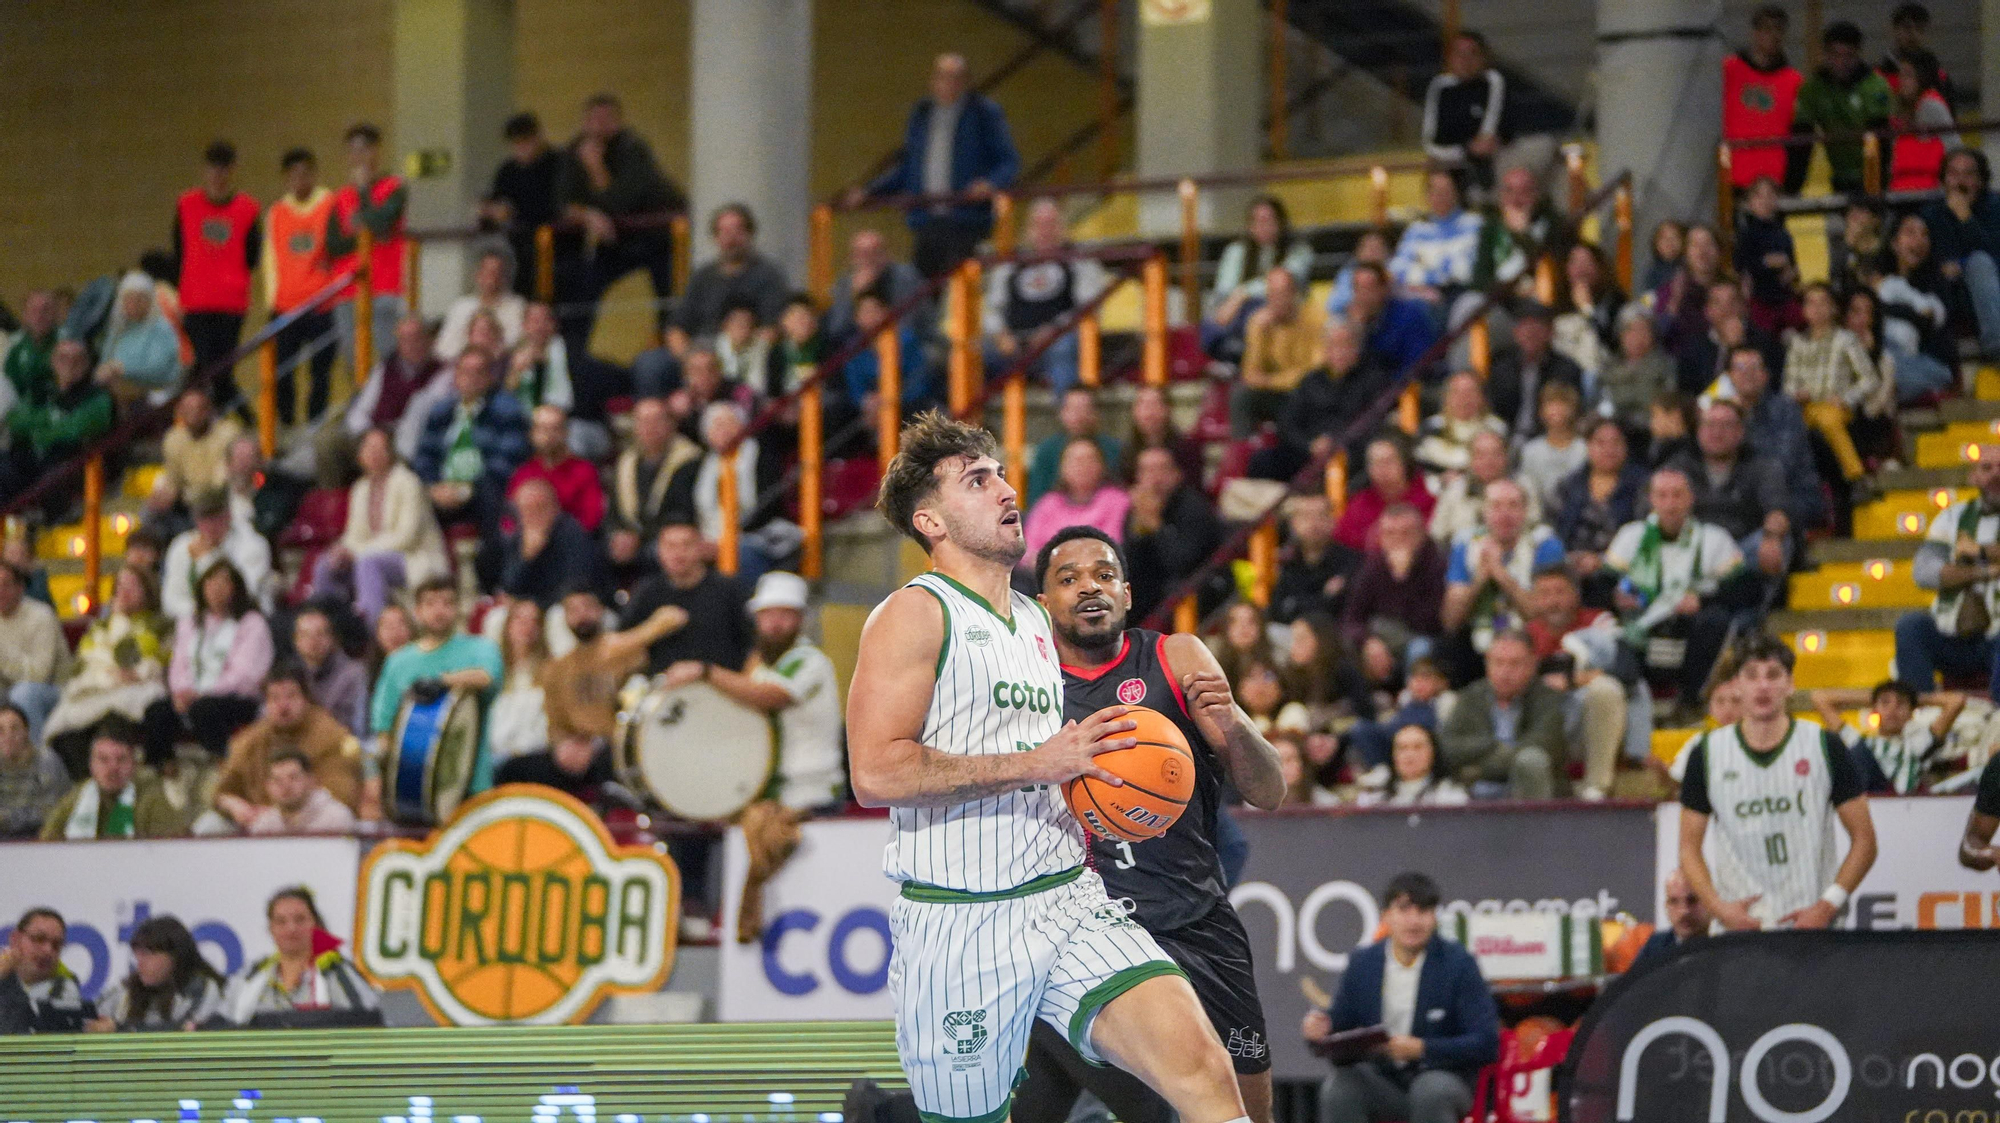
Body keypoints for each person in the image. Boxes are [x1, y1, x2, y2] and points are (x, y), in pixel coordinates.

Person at [848, 411, 1254, 1123]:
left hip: (1068, 899)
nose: (1007, 489)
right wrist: (1038, 762)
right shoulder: (914, 615)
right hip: (961, 923)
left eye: (1001, 473)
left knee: (1205, 1073)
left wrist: (1127, 773)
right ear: (932, 521)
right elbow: (875, 772)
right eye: (978, 480)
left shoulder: (1037, 620)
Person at [1016, 528, 1283, 1123]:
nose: (1090, 587)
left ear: (1128, 593)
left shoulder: (1176, 656)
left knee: (1248, 1109)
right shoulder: (1026, 688)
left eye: (1104, 575)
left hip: (1195, 918)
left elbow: (1269, 792)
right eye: (1068, 578)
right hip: (1087, 930)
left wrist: (1233, 725)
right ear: (1043, 605)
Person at [1678, 635, 1877, 930]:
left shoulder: (1824, 745)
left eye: (1773, 675)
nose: (1762, 686)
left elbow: (1865, 841)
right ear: (1736, 685)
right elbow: (1688, 848)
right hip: (1739, 929)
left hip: (1812, 926)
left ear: (1790, 684)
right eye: (1751, 676)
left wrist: (1827, 905)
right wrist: (1719, 908)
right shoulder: (1706, 753)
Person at [1303, 871, 1499, 1123]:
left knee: (1430, 1091)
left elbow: (1485, 1042)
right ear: (1385, 916)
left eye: (1423, 911)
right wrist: (1321, 1028)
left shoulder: (1459, 964)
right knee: (1341, 1087)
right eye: (1404, 910)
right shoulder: (1363, 963)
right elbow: (1341, 1024)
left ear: (1435, 918)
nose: (1414, 921)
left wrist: (1422, 1049)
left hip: (1444, 1079)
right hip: (1384, 1081)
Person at [654, 571, 846, 812]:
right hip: (771, 795)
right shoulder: (762, 664)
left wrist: (705, 672)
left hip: (812, 796)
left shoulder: (808, 660)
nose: (775, 624)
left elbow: (768, 696)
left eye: (785, 614)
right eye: (767, 614)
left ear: (801, 619)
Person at [853, 53, 1022, 278]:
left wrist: (990, 184)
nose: (948, 84)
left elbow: (1009, 162)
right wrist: (869, 191)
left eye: (955, 77)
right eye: (942, 77)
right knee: (922, 287)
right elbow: (909, 168)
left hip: (966, 219)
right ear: (932, 81)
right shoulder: (922, 114)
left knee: (958, 287)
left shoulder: (983, 113)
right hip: (926, 219)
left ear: (966, 82)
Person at [1604, 466, 1744, 711]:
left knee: (1716, 620)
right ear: (1651, 500)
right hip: (1639, 624)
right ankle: (1629, 706)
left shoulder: (1714, 538)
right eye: (1662, 495)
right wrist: (1615, 598)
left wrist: (1702, 601)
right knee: (1609, 628)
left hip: (1689, 626)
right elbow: (1601, 585)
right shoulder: (1631, 535)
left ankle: (1690, 701)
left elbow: (1744, 589)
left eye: (1677, 495)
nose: (1670, 504)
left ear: (1691, 498)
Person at [366, 576, 505, 809]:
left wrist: (443, 681)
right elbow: (383, 726)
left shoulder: (481, 648)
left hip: (473, 785)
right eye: (430, 603)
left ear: (458, 609)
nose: (439, 611)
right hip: (412, 791)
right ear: (418, 611)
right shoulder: (398, 662)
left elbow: (487, 676)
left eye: (447, 603)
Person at [313, 427, 448, 624]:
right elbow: (354, 535)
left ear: (391, 452)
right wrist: (343, 550)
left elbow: (406, 536)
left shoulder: (408, 482)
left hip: (414, 558)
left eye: (379, 449)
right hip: (371, 556)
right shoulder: (360, 488)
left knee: (369, 563)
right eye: (368, 448)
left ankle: (372, 631)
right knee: (326, 564)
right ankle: (328, 626)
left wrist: (358, 552)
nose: (373, 454)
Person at [42, 568, 169, 772]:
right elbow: (88, 660)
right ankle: (87, 789)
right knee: (66, 736)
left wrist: (121, 625)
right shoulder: (100, 627)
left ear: (148, 591)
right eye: (119, 586)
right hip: (95, 688)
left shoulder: (160, 626)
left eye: (132, 586)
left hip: (134, 691)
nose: (124, 592)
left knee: (111, 726)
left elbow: (144, 662)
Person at [1896, 451, 2000, 695]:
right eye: (1987, 468)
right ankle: (1919, 718)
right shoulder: (1952, 517)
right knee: (1911, 625)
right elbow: (1923, 573)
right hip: (1953, 634)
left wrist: (1979, 551)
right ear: (1973, 477)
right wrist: (1983, 572)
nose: (1996, 474)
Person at [210, 666, 362, 833]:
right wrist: (233, 804)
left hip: (312, 820)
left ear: (306, 699)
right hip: (256, 823)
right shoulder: (248, 741)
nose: (283, 706)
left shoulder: (332, 736)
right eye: (274, 698)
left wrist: (280, 810)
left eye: (291, 696)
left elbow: (342, 794)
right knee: (209, 825)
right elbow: (222, 791)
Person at [149, 558, 272, 762]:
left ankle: (223, 762)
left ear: (236, 588)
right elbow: (179, 664)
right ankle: (161, 769)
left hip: (234, 698)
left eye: (223, 583)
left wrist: (200, 693)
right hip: (192, 695)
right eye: (210, 583)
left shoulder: (252, 623)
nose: (216, 589)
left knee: (204, 710)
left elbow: (246, 675)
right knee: (157, 711)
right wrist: (182, 691)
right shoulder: (191, 622)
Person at [983, 199, 1111, 393]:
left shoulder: (1079, 261)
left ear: (1063, 228)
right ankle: (971, 420)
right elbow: (992, 308)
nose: (1045, 231)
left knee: (1062, 347)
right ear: (1028, 230)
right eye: (1039, 225)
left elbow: (1089, 309)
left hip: (1060, 340)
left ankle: (1068, 413)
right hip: (1015, 342)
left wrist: (1055, 329)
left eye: (1051, 224)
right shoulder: (1010, 263)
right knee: (970, 352)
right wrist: (1000, 335)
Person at [1440, 479, 1565, 672]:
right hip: (1478, 639)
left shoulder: (1544, 544)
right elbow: (1451, 621)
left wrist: (1501, 575)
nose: (1504, 514)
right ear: (1484, 512)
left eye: (1513, 505)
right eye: (1496, 506)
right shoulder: (1466, 544)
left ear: (1525, 511)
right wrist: (1480, 578)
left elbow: (1544, 618)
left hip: (1532, 641)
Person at [173, 140, 262, 401]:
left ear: (232, 171)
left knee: (220, 370)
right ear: (204, 171)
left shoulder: (247, 209)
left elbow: (252, 257)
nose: (217, 176)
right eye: (213, 169)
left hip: (230, 303)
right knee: (208, 368)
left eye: (223, 169)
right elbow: (179, 251)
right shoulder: (187, 205)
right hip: (196, 301)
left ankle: (231, 419)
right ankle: (241, 418)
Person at [413, 346, 532, 540]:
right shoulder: (441, 411)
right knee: (409, 490)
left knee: (489, 491)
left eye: (479, 372)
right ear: (456, 376)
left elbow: (508, 461)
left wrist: (466, 490)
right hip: (442, 490)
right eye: (465, 372)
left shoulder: (508, 409)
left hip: (483, 491)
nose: (471, 378)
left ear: (490, 376)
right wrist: (433, 486)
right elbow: (424, 456)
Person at [1438, 630, 1569, 798]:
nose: (1505, 672)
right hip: (1474, 795)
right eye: (1498, 663)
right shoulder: (1471, 696)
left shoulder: (1549, 699)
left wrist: (1479, 770)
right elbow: (1449, 746)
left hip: (1526, 790)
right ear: (1487, 665)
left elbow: (1543, 746)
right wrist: (1493, 745)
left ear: (1532, 665)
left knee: (1530, 760)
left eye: (1514, 664)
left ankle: (1537, 823)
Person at [1269, 318, 1394, 484]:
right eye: (1333, 345)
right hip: (1308, 452)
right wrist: (1310, 445)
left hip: (1351, 455)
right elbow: (1287, 423)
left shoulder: (1374, 381)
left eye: (1345, 345)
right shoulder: (1311, 380)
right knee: (1264, 461)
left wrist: (1335, 443)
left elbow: (1376, 426)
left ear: (1357, 348)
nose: (1339, 352)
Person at [225, 887, 378, 1023]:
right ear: (270, 929)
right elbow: (222, 1024)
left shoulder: (336, 972)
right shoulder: (252, 974)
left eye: (300, 920)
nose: (291, 928)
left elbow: (367, 1023)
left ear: (315, 924)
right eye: (281, 921)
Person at [262, 148, 338, 425]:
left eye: (305, 173)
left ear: (314, 174)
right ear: (285, 178)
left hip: (323, 304)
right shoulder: (277, 212)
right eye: (293, 174)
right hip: (286, 305)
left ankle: (315, 423)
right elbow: (270, 258)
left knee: (321, 371)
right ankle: (286, 423)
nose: (299, 179)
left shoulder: (330, 204)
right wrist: (272, 302)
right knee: (282, 372)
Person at [326, 123, 410, 368]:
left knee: (389, 358)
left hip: (384, 287)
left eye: (363, 150)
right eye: (352, 151)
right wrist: (369, 234)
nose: (358, 157)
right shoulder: (340, 197)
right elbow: (334, 246)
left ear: (376, 151)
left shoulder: (394, 188)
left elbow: (384, 225)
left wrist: (364, 192)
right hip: (348, 290)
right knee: (354, 364)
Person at [621, 521, 755, 675]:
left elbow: (753, 643)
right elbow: (619, 644)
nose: (678, 553)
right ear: (659, 551)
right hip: (664, 687)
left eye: (687, 545)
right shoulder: (647, 591)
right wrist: (653, 628)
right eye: (670, 546)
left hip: (721, 686)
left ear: (701, 547)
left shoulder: (729, 588)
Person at [324, 317, 446, 481]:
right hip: (371, 433)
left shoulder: (442, 372)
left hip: (405, 439)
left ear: (429, 340)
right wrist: (368, 434)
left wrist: (383, 439)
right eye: (405, 339)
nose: (411, 344)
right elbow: (361, 409)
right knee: (327, 442)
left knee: (397, 454)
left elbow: (420, 417)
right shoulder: (384, 368)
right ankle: (333, 502)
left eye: (416, 338)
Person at [1785, 282, 1882, 488]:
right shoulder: (1797, 342)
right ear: (1804, 310)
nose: (1817, 309)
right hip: (1806, 407)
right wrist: (1796, 393)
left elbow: (1870, 378)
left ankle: (1855, 475)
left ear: (1833, 308)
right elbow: (1789, 381)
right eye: (1811, 304)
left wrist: (1846, 398)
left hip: (1835, 406)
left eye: (1823, 303)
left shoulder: (1846, 339)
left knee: (1829, 420)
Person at [667, 204, 790, 358]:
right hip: (701, 351)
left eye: (737, 230)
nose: (731, 237)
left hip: (748, 350)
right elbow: (677, 327)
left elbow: (773, 328)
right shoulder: (701, 277)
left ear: (749, 234)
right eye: (724, 231)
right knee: (652, 363)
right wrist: (688, 358)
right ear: (715, 237)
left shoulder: (769, 275)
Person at [4, 339, 113, 506]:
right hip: (29, 460)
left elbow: (74, 430)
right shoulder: (42, 389)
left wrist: (38, 432)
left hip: (71, 465)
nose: (69, 364)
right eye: (63, 358)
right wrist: (49, 417)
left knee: (54, 476)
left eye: (76, 359)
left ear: (86, 363)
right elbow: (15, 419)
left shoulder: (97, 397)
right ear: (53, 362)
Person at [1124, 448, 1225, 625]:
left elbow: (1183, 563)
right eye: (1147, 471)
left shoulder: (1193, 507)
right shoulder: (1138, 509)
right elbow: (1131, 563)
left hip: (1199, 587)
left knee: (1174, 589)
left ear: (1177, 474)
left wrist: (1156, 526)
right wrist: (1138, 530)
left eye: (1162, 469)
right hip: (1156, 588)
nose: (1155, 478)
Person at [1207, 195, 1314, 359]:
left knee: (1256, 318)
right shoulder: (1236, 251)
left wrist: (1243, 293)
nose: (1262, 226)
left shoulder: (1299, 251)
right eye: (1257, 221)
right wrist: (1234, 301)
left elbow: (1283, 283)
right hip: (1236, 311)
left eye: (1268, 220)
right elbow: (1224, 290)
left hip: (1281, 313)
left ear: (1280, 223)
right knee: (1209, 328)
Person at [1793, 22, 1893, 196]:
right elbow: (1802, 142)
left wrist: (1877, 185)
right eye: (1834, 55)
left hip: (1872, 178)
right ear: (1825, 54)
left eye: (1848, 56)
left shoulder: (1875, 86)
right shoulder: (1813, 88)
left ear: (1858, 54)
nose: (1840, 62)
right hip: (1838, 178)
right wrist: (1793, 186)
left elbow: (1881, 145)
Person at [1553, 418, 1647, 602]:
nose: (1608, 449)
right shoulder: (1569, 484)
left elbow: (1643, 535)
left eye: (1616, 442)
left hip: (1620, 569)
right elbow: (1553, 528)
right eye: (1600, 443)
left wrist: (1602, 561)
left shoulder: (1641, 485)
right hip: (1570, 564)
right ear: (1588, 446)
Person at [1811, 681, 1962, 795]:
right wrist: (1878, 698)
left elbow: (1956, 701)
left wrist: (1912, 698)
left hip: (1903, 804)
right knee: (1856, 749)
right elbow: (1820, 698)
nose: (1892, 710)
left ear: (1911, 712)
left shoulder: (1917, 743)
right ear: (1874, 710)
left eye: (1900, 704)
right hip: (1868, 802)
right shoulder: (1860, 741)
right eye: (1885, 703)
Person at [1921, 149, 2000, 359]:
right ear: (1944, 181)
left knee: (1980, 262)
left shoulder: (1995, 207)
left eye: (1969, 174)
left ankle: (1996, 345)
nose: (1960, 182)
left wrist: (1966, 219)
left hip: (1990, 291)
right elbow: (1929, 259)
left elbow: (1994, 254)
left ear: (1981, 181)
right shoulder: (1932, 214)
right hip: (1950, 294)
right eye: (1953, 174)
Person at [1340, 505, 1447, 660]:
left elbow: (1430, 624)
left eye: (1406, 534)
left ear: (1422, 534)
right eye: (1390, 534)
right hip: (1379, 639)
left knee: (1421, 648)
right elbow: (1352, 617)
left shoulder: (1436, 564)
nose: (1398, 541)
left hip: (1418, 639)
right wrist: (1368, 642)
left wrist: (1402, 578)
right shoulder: (1374, 566)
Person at [85, 915, 225, 1033]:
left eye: (146, 954)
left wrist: (121, 1029)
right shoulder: (124, 991)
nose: (139, 963)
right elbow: (91, 1018)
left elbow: (187, 1031)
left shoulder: (202, 989)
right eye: (137, 955)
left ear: (175, 955)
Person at [41, 722, 180, 840]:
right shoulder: (77, 797)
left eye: (121, 760)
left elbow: (167, 851)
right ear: (91, 765)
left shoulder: (151, 798)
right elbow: (46, 844)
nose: (113, 768)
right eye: (103, 760)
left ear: (134, 764)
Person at [611, 397, 702, 570]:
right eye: (643, 421)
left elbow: (682, 512)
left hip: (669, 537)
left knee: (656, 552)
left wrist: (638, 538)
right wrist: (617, 534)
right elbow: (614, 512)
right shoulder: (626, 462)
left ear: (671, 424)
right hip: (633, 536)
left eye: (656, 420)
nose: (649, 427)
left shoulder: (689, 460)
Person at [480, 112, 564, 300]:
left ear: (538, 138)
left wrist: (512, 212)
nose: (521, 148)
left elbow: (555, 207)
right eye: (516, 143)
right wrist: (489, 210)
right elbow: (495, 200)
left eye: (526, 141)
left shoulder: (559, 164)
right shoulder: (508, 170)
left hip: (559, 252)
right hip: (521, 253)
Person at [1722, 6, 1804, 192]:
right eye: (1767, 29)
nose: (1773, 36)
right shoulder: (1729, 70)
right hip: (1732, 177)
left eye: (1779, 30)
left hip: (1774, 181)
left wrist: (1792, 184)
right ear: (1755, 33)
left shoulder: (1795, 81)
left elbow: (1799, 137)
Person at [1234, 268, 1323, 438]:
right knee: (1241, 395)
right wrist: (1260, 334)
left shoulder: (1315, 318)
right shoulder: (1258, 322)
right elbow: (1250, 375)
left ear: (1294, 293)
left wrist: (1270, 381)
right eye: (1272, 295)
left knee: (1307, 396)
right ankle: (1241, 452)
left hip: (1305, 395)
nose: (1277, 301)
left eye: (1282, 294)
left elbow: (1314, 373)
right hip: (1276, 395)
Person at [1421, 31, 1508, 193]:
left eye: (1472, 53)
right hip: (1453, 158)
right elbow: (1431, 142)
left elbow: (1488, 136)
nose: (1465, 60)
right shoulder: (1440, 88)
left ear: (1484, 58)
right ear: (1450, 58)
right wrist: (1467, 149)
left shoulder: (1494, 81)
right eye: (1459, 54)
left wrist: (1480, 146)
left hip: (1494, 157)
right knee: (1437, 167)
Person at [1024, 439, 1130, 564]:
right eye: (1075, 461)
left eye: (1089, 460)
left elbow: (1113, 546)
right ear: (1062, 467)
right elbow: (1028, 550)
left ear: (1102, 465)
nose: (1082, 466)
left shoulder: (1117, 501)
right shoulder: (1047, 503)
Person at [0, 559, 68, 742]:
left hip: (53, 690)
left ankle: (34, 759)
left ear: (20, 588)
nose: (0, 591)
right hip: (8, 689)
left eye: (6, 585)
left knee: (24, 694)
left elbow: (39, 675)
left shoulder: (41, 616)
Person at [1389, 171, 1482, 306]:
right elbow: (1399, 269)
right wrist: (1424, 287)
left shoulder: (1474, 225)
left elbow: (1469, 270)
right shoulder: (1417, 230)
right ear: (1427, 196)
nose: (1441, 197)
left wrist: (1428, 274)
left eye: (1446, 191)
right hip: (1423, 297)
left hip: (1463, 295)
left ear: (1456, 194)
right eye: (1435, 192)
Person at [509, 403, 604, 532]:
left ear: (565, 433)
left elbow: (591, 518)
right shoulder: (523, 474)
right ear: (532, 434)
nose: (549, 436)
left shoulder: (584, 471)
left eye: (555, 428)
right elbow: (508, 520)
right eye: (542, 429)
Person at [0, 909, 95, 1033]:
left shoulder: (64, 988)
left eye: (56, 944)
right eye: (38, 939)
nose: (47, 950)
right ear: (15, 939)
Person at [827, 228, 927, 346]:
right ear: (852, 257)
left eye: (873, 252)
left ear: (886, 254)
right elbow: (836, 329)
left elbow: (909, 324)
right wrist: (853, 294)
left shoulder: (906, 277)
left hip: (906, 344)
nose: (867, 259)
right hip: (861, 348)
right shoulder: (845, 283)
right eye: (861, 253)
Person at [95, 271, 185, 400]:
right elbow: (105, 362)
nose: (134, 303)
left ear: (150, 300)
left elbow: (159, 368)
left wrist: (121, 369)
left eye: (140, 298)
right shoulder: (118, 329)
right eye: (129, 298)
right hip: (116, 394)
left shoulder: (161, 328)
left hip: (155, 394)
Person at [1028, 389, 1123, 506]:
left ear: (1096, 413)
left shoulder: (1113, 449)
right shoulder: (1046, 450)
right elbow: (1037, 500)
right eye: (1073, 409)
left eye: (1085, 408)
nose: (1079, 416)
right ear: (1062, 413)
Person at [434, 246, 525, 366]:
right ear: (477, 274)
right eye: (487, 271)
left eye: (497, 271)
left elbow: (517, 342)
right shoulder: (461, 307)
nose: (492, 277)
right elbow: (443, 348)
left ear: (505, 276)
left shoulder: (517, 306)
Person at [1344, 263, 1438, 376]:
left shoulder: (1409, 316)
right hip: (1365, 387)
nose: (1363, 296)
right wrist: (1356, 330)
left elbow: (1418, 363)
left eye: (1369, 288)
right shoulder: (1351, 320)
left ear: (1383, 288)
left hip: (1400, 385)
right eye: (1357, 288)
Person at [487, 598, 551, 766]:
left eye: (533, 621)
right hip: (494, 756)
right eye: (520, 620)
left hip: (532, 758)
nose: (527, 627)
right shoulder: (493, 671)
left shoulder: (550, 671)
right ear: (507, 626)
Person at [1887, 48, 1957, 193]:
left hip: (1927, 191)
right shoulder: (1904, 108)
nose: (1901, 81)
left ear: (1922, 77)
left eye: (1908, 75)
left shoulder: (1930, 106)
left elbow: (1953, 149)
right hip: (1907, 189)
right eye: (1900, 74)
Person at [1733, 177, 1798, 333]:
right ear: (1750, 202)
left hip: (1783, 297)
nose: (1765, 201)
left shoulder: (1783, 234)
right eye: (1759, 196)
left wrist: (1791, 272)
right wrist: (1765, 263)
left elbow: (1792, 266)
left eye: (1770, 195)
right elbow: (1739, 266)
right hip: (1758, 301)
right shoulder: (1745, 234)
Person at [292, 607, 368, 738]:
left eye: (320, 634)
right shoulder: (289, 674)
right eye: (305, 634)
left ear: (332, 638)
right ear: (296, 641)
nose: (313, 641)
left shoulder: (354, 673)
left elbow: (358, 727)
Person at [1599, 306, 1676, 435]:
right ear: (1620, 334)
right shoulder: (1608, 367)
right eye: (1631, 330)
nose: (1637, 337)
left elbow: (1668, 402)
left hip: (1651, 431)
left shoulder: (1665, 366)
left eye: (1644, 330)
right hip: (1614, 430)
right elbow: (1601, 402)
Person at [242, 749, 356, 835]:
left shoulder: (336, 818)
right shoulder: (264, 825)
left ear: (311, 780)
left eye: (293, 777)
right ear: (267, 786)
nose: (286, 786)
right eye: (277, 780)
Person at [1413, 371, 1507, 477]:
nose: (1464, 398)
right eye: (1456, 392)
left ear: (1482, 397)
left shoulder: (1496, 428)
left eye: (1471, 392)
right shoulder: (1431, 427)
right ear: (1446, 397)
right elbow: (1422, 466)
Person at [1354, 724, 1469, 808]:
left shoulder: (1451, 795)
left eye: (1418, 747)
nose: (1409, 755)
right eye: (1402, 748)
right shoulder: (1375, 794)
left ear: (1433, 752)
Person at [1515, 382, 1587, 514]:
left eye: (1562, 404)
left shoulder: (1585, 449)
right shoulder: (1530, 451)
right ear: (1541, 411)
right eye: (1551, 404)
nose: (1557, 410)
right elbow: (1527, 490)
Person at [0, 704, 68, 838]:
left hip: (40, 836)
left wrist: (7, 818)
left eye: (15, 728)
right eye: (1, 730)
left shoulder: (47, 761)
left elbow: (52, 811)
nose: (8, 736)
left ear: (26, 731)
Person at [1628, 869, 1710, 972]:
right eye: (1674, 902)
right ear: (1666, 906)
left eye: (1692, 900)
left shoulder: (1726, 950)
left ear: (1710, 904)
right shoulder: (1655, 946)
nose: (1684, 911)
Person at [3, 290, 59, 411]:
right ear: (25, 315)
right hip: (23, 413)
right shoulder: (15, 347)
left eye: (46, 310)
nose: (39, 316)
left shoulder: (68, 345)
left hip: (58, 413)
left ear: (55, 314)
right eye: (34, 311)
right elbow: (10, 387)